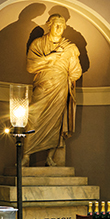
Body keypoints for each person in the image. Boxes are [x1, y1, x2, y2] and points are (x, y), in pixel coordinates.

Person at [22, 14, 82, 166]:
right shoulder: (38, 44)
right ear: (49, 25)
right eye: (56, 24)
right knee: (33, 118)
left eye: (62, 25)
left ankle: (50, 157)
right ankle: (26, 156)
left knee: (56, 123)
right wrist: (50, 58)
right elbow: (30, 67)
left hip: (60, 89)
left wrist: (65, 76)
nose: (58, 28)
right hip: (42, 87)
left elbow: (76, 72)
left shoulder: (70, 48)